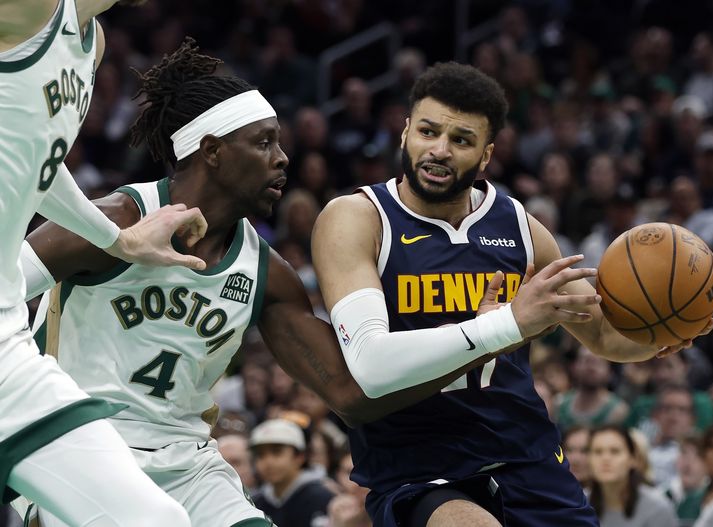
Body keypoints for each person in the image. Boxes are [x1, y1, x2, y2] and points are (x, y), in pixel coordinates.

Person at [17, 41, 578, 526]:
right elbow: (5, 287)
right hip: (83, 448)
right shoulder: (116, 219)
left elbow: (355, 395)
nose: (283, 158)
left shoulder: (264, 272)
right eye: (263, 143)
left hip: (186, 463)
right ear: (212, 151)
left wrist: (493, 333)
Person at [311, 62, 713, 526]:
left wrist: (660, 333)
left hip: (527, 456)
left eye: (461, 140)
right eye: (428, 131)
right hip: (419, 467)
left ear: (486, 156)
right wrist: (505, 325)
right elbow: (369, 363)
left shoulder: (519, 228)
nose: (439, 150)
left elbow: (602, 335)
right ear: (404, 133)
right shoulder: (358, 218)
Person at [1, 1, 210, 525]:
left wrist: (119, 241)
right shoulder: (28, 10)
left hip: (7, 343)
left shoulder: (89, 43)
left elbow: (37, 166)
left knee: (159, 520)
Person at [250, 418, 336, 527]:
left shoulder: (323, 498)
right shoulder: (255, 503)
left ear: (299, 456)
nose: (268, 462)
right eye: (260, 455)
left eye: (277, 452)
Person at [588, 425, 679, 527]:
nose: (605, 458)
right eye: (598, 452)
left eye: (615, 451)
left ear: (633, 459)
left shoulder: (657, 508)